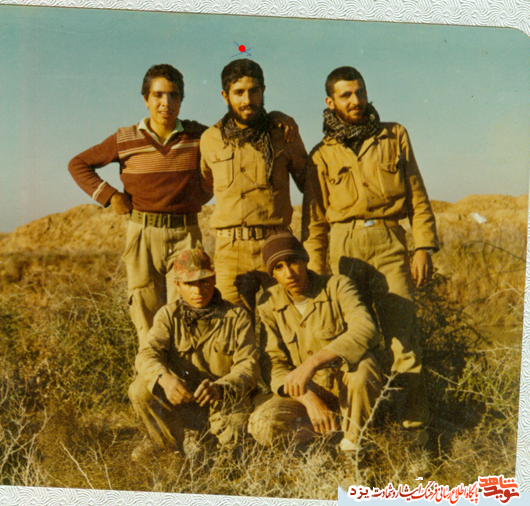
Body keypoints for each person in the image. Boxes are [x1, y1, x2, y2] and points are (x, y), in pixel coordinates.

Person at [69, 64, 298, 342]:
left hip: (186, 234)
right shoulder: (125, 138)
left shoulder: (199, 136)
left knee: (190, 311)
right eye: (158, 95)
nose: (166, 103)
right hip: (142, 234)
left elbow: (234, 134)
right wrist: (110, 195)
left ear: (182, 99)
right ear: (146, 99)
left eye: (174, 95)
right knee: (145, 310)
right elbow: (78, 164)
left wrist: (276, 116)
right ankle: (152, 367)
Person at [301, 66, 439, 437]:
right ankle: (359, 427)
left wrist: (423, 246)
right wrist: (317, 273)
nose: (355, 101)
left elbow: (417, 195)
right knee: (352, 339)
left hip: (389, 241)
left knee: (403, 340)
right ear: (330, 101)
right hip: (343, 248)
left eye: (359, 92)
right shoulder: (321, 155)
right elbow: (315, 222)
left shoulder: (394, 136)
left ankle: (414, 432)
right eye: (345, 95)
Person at [248, 232, 382, 453]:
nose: (289, 273)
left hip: (347, 390)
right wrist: (307, 398)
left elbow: (365, 329)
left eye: (293, 262)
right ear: (272, 274)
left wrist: (312, 364)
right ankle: (323, 445)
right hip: (306, 394)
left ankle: (354, 448)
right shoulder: (268, 303)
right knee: (263, 422)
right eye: (279, 267)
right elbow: (272, 363)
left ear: (305, 259)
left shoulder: (337, 286)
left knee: (363, 369)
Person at [128, 248, 259, 459]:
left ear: (214, 280)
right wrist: (165, 379)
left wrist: (222, 388)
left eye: (203, 281)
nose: (198, 290)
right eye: (189, 284)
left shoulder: (237, 317)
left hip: (223, 400)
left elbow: (249, 366)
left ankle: (218, 452)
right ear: (177, 285)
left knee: (232, 452)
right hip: (183, 401)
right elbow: (146, 355)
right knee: (140, 389)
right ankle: (169, 451)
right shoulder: (168, 316)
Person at [200, 59, 308, 309]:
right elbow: (205, 185)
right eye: (239, 92)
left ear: (263, 91)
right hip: (230, 251)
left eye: (254, 91)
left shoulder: (283, 132)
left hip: (277, 246)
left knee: (286, 321)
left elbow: (308, 185)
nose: (248, 100)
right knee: (233, 325)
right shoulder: (210, 139)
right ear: (225, 96)